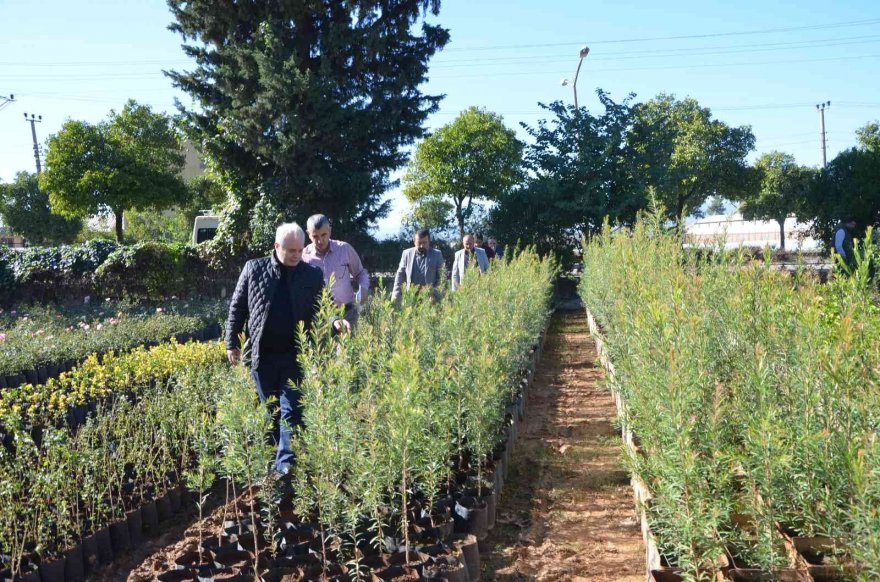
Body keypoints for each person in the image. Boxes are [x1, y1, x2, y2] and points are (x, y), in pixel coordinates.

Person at [226, 222, 350, 474]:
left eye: (299, 250)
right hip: (262, 356)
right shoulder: (254, 269)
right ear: (276, 246)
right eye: (290, 250)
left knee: (292, 412)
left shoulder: (310, 275)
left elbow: (323, 307)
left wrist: (335, 321)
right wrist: (231, 343)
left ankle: (284, 468)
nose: (296, 255)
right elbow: (237, 307)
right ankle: (274, 464)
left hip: (294, 356)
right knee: (270, 413)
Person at [303, 214, 369, 328]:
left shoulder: (344, 249)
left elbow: (360, 273)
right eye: (315, 236)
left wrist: (364, 288)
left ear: (330, 231)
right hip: (320, 317)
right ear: (308, 234)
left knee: (348, 339)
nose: (320, 240)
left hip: (347, 312)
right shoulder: (304, 257)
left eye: (324, 235)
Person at [391, 228, 445, 301]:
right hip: (411, 297)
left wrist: (435, 294)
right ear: (414, 242)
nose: (422, 246)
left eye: (424, 243)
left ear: (429, 242)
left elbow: (442, 277)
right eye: (419, 243)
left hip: (430, 298)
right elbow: (400, 274)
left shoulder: (437, 254)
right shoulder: (407, 254)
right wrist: (396, 292)